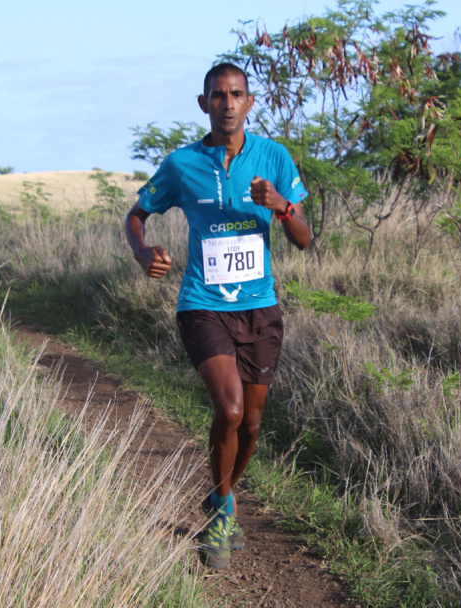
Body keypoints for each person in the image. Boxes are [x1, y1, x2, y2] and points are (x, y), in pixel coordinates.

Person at [125, 62, 311, 570]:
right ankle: (224, 511)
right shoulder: (182, 164)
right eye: (217, 95)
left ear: (250, 102)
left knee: (251, 425)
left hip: (260, 309)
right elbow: (136, 215)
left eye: (236, 94)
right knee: (228, 411)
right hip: (203, 305)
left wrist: (281, 205)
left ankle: (221, 492)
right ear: (203, 103)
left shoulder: (273, 158)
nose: (227, 103)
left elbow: (305, 239)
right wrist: (144, 254)